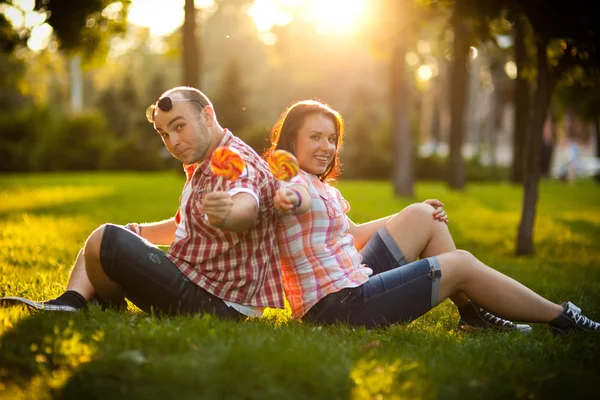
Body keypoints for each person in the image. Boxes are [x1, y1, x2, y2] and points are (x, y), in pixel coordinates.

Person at [266, 99, 600, 334]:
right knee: (461, 264)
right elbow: (296, 199)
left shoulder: (317, 184)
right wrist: (290, 199)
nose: (326, 146)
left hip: (351, 282)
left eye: (331, 138)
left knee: (424, 215)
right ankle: (563, 317)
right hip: (336, 308)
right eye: (315, 137)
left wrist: (412, 213)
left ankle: (473, 316)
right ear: (291, 140)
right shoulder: (293, 182)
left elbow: (352, 234)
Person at [0, 86, 284, 319]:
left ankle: (92, 305)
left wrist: (229, 214)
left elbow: (247, 208)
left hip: (218, 301)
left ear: (207, 115)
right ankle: (73, 302)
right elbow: (186, 228)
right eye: (164, 134)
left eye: (179, 126)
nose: (173, 141)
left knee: (105, 238)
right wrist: (137, 233)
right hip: (204, 288)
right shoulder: (206, 162)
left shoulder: (234, 160)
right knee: (113, 236)